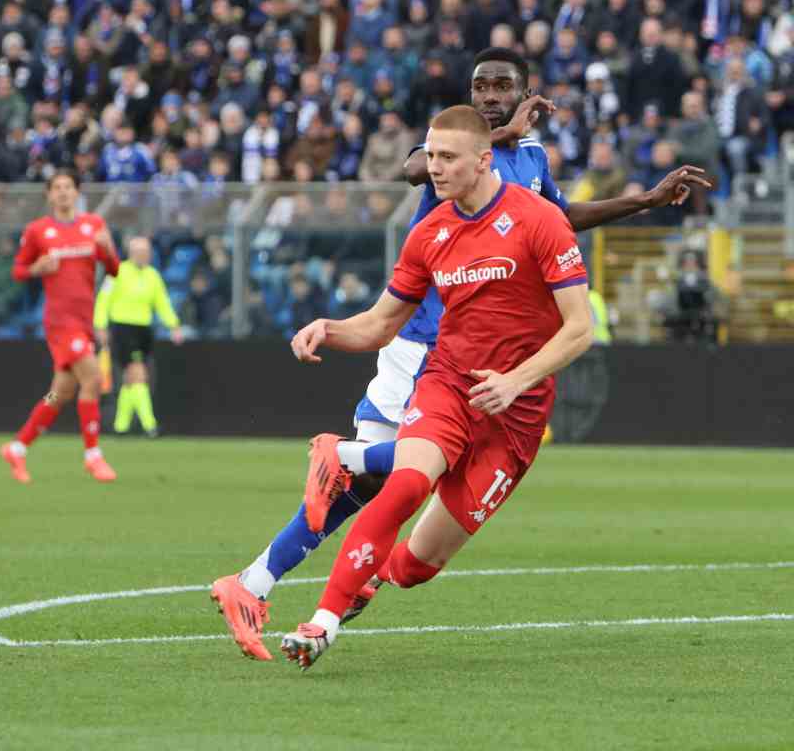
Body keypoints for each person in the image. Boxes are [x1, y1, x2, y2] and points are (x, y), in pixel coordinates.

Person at [209, 47, 712, 661]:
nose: (490, 94)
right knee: (390, 485)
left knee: (394, 515)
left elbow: (559, 223)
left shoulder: (529, 165)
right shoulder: (446, 165)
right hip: (427, 346)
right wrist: (331, 328)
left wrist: (643, 202)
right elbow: (415, 167)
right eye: (481, 87)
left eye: (503, 86)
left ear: (525, 93)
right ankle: (289, 573)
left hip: (505, 380)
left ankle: (286, 561)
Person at [279, 105, 594, 668]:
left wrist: (516, 381)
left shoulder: (541, 220)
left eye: (447, 158)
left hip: (516, 415)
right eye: (430, 156)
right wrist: (327, 327)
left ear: (483, 159)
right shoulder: (431, 232)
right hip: (449, 383)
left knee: (415, 567)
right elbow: (380, 324)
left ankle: (352, 475)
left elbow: (580, 328)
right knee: (404, 485)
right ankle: (322, 623)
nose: (434, 168)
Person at [0, 170, 120, 484]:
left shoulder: (93, 225)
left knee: (60, 393)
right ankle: (93, 455)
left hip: (83, 320)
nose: (64, 192)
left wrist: (108, 250)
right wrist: (37, 268)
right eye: (57, 188)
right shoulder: (39, 230)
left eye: (69, 187)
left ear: (77, 192)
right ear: (49, 195)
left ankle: (18, 447)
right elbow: (17, 270)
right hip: (60, 322)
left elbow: (115, 271)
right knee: (92, 378)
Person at [93, 235, 184, 438]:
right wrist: (100, 326)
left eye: (147, 252)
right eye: (141, 252)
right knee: (139, 374)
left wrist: (174, 325)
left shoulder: (153, 275)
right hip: (124, 329)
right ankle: (149, 425)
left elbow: (162, 303)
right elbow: (103, 301)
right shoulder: (116, 272)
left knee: (130, 379)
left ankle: (121, 426)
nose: (145, 256)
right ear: (132, 253)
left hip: (144, 329)